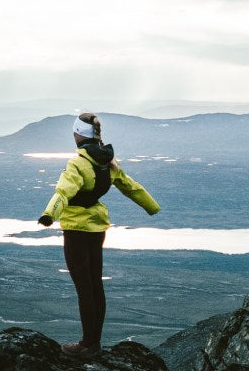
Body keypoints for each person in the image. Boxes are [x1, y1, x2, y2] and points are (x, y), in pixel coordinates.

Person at [38, 111, 160, 357]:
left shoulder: (78, 164)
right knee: (95, 285)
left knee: (84, 287)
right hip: (97, 227)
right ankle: (94, 342)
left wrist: (49, 214)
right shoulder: (108, 162)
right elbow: (131, 187)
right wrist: (152, 206)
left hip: (76, 228)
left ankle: (87, 345)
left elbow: (63, 192)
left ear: (77, 135)